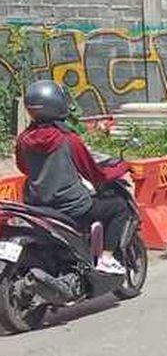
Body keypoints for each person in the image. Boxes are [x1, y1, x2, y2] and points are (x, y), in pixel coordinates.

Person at [15, 81, 131, 275]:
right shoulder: (68, 139)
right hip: (71, 207)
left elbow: (23, 167)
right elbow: (94, 174)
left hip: (36, 206)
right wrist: (122, 167)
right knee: (119, 207)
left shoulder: (23, 140)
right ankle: (107, 258)